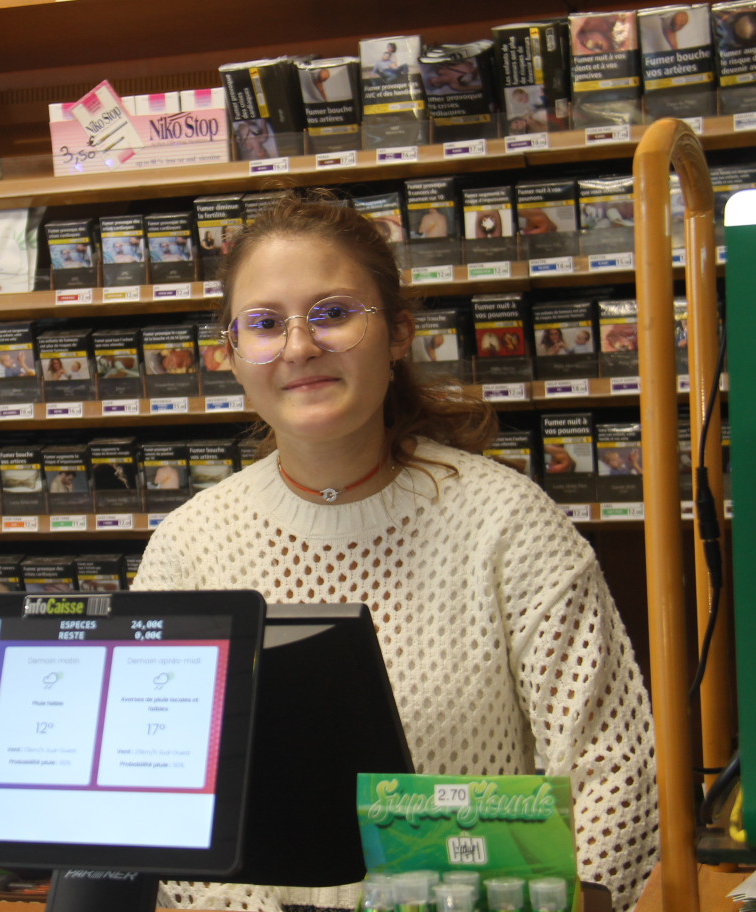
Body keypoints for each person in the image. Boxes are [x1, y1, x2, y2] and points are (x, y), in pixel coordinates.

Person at [134, 197, 657, 912]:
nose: (298, 347)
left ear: (400, 332)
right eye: (264, 323)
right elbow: (157, 793)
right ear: (230, 355)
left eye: (332, 312)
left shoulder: (506, 521)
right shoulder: (187, 549)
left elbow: (612, 762)